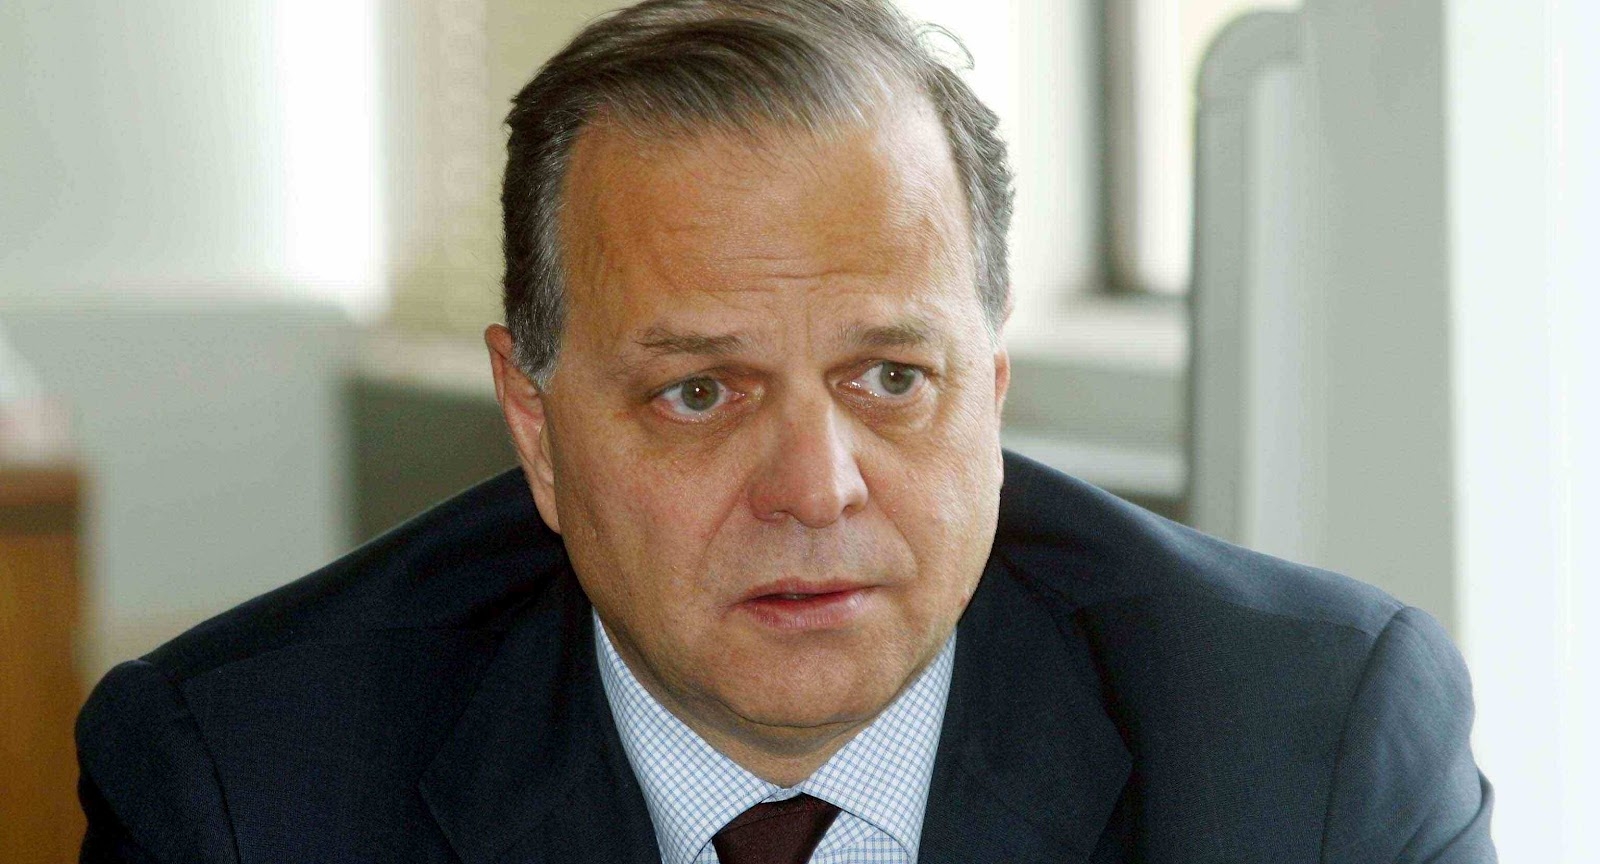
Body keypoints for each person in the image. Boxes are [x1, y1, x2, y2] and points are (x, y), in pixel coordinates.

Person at [74, 1, 1496, 861]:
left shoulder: (1306, 744)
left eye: (892, 378)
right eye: (701, 393)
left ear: (992, 389)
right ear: (537, 426)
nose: (817, 491)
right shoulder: (245, 787)